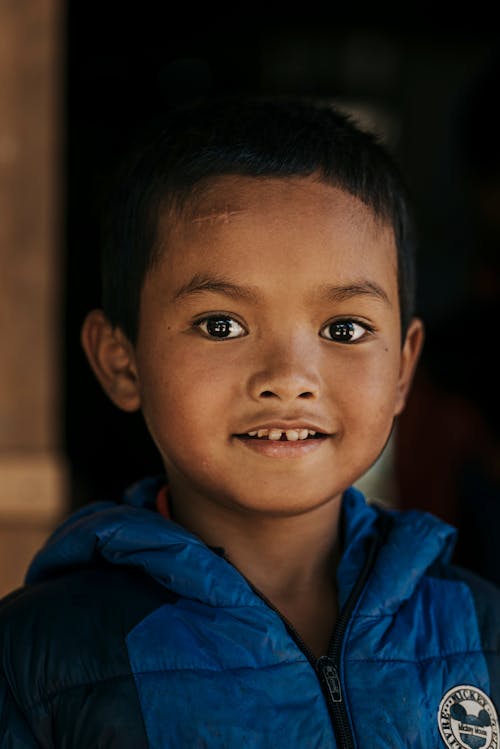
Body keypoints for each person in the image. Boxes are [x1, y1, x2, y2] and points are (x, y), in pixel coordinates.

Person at [1, 94, 499, 749]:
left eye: (344, 328)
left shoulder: (478, 628)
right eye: (221, 324)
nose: (289, 375)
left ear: (403, 367)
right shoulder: (42, 657)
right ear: (122, 361)